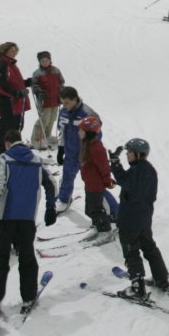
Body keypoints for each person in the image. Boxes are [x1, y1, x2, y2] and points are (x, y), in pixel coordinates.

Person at [0, 128, 57, 319]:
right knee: (27, 258)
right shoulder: (36, 160)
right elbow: (50, 183)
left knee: (0, 259)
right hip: (27, 219)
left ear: (7, 143)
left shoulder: (4, 159)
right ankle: (28, 297)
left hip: (6, 218)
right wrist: (51, 207)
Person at [110, 137, 169, 300]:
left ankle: (137, 287)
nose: (127, 155)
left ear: (139, 154)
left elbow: (124, 181)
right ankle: (161, 278)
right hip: (144, 219)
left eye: (129, 152)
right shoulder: (149, 170)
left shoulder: (137, 170)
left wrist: (115, 164)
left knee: (131, 252)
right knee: (149, 248)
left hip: (131, 220)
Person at [62, 89, 118, 240]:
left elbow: (103, 167)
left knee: (96, 208)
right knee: (90, 209)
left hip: (96, 185)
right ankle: (97, 225)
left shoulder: (96, 148)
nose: (78, 132)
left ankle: (105, 230)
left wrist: (107, 181)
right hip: (89, 184)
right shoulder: (86, 146)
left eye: (81, 130)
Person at [0, 42, 27, 166]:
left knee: (16, 128)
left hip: (15, 103)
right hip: (8, 104)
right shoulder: (2, 65)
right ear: (4, 51)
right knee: (6, 130)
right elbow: (1, 86)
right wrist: (16, 93)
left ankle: (11, 154)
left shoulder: (11, 65)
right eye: (12, 50)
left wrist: (26, 84)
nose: (14, 53)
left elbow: (14, 83)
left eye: (16, 50)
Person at [28, 52, 63, 152]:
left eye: (47, 60)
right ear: (39, 62)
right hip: (44, 101)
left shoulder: (56, 71)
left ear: (50, 60)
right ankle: (36, 139)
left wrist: (62, 93)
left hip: (55, 100)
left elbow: (61, 82)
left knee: (52, 119)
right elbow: (34, 85)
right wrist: (39, 92)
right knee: (44, 119)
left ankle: (46, 137)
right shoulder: (37, 73)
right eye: (42, 61)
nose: (45, 62)